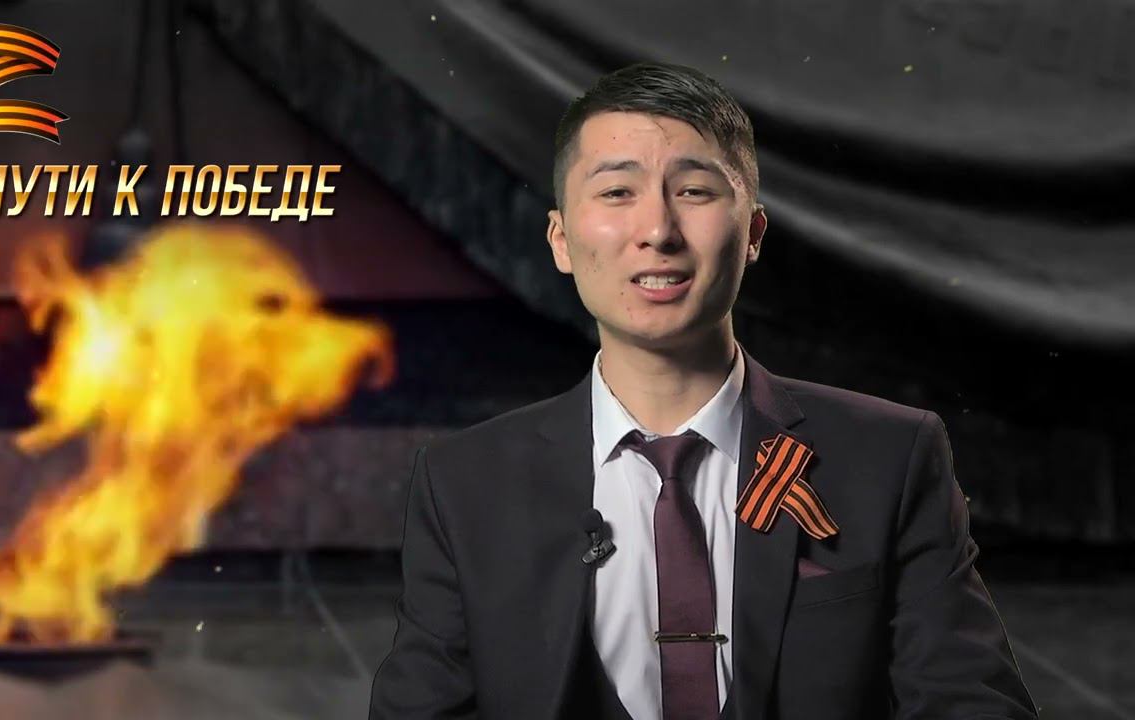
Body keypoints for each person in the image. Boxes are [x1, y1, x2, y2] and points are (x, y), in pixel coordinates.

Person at [368, 61, 1037, 720]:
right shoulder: (464, 484)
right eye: (617, 192)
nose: (658, 232)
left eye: (693, 191)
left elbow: (970, 703)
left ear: (753, 234)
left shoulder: (891, 457)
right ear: (562, 240)